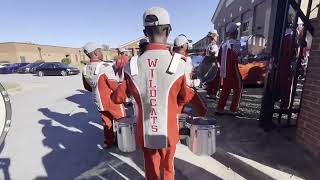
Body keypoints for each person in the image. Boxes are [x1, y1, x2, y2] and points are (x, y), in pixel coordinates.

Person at [111, 7, 193, 180]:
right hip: (168, 130)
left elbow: (117, 98)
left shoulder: (131, 64)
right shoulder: (180, 64)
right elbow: (186, 97)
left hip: (145, 131)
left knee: (151, 168)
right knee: (168, 168)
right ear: (169, 30)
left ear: (144, 32)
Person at [82, 42, 126, 149]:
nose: (102, 53)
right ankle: (124, 142)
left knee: (107, 123)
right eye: (100, 51)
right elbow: (114, 86)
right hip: (111, 101)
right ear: (96, 53)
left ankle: (108, 142)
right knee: (123, 121)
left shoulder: (85, 69)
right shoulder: (105, 67)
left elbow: (87, 87)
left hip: (99, 101)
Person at [173, 34, 207, 116]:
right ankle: (201, 125)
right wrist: (197, 82)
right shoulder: (184, 59)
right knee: (202, 108)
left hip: (177, 91)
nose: (188, 45)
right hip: (186, 90)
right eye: (187, 44)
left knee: (177, 111)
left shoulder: (174, 57)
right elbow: (186, 82)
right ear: (182, 46)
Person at [215, 22, 243, 116]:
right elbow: (239, 56)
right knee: (238, 89)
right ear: (235, 32)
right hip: (234, 69)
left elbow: (218, 58)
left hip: (224, 71)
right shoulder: (236, 43)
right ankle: (233, 109)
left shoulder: (223, 45)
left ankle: (219, 108)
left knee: (226, 90)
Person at [205, 30, 221, 100]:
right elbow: (213, 54)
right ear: (214, 37)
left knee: (210, 80)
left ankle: (209, 93)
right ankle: (214, 94)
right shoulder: (213, 46)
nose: (217, 38)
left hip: (209, 64)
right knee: (217, 80)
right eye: (216, 36)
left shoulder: (208, 46)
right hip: (214, 64)